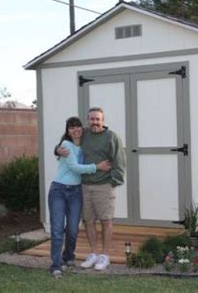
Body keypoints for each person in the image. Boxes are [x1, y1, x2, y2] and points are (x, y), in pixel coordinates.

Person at [56, 107, 126, 271]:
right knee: (88, 221)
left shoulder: (111, 137)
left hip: (104, 187)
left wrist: (113, 182)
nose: (94, 122)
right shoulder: (84, 133)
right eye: (92, 119)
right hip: (84, 186)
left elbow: (120, 162)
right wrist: (57, 149)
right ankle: (94, 253)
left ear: (103, 120)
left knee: (106, 220)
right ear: (88, 120)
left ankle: (105, 255)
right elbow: (66, 139)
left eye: (97, 119)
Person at [49, 116, 111, 278]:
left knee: (73, 229)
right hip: (59, 190)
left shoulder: (85, 143)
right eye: (71, 127)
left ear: (82, 129)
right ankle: (56, 265)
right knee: (57, 230)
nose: (75, 130)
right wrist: (97, 167)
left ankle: (68, 257)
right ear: (67, 131)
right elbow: (75, 167)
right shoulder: (65, 145)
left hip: (76, 191)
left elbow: (100, 133)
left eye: (78, 127)